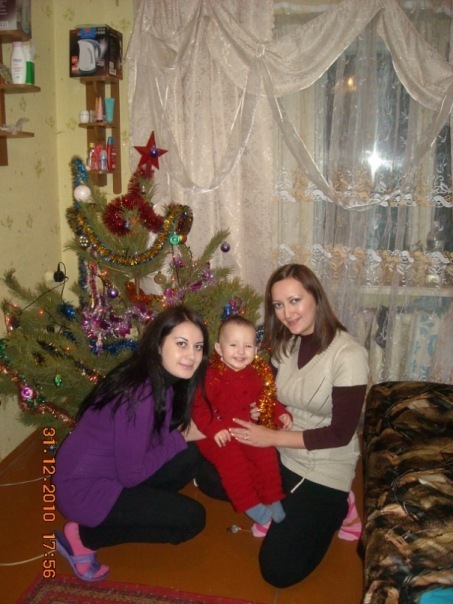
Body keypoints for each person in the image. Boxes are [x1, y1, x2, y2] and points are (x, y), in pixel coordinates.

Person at [199, 264, 369, 588]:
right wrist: (259, 409)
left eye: (294, 300)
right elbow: (267, 396)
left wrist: (271, 436)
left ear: (315, 297)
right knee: (209, 473)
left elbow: (340, 434)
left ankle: (340, 508)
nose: (286, 313)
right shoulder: (287, 345)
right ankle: (285, 504)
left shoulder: (349, 355)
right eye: (278, 305)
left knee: (277, 570)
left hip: (323, 464)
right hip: (279, 451)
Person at [53, 305, 209, 583]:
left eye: (198, 347)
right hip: (85, 492)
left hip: (112, 473)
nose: (192, 355)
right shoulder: (142, 395)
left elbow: (153, 440)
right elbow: (131, 475)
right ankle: (83, 537)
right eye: (181, 344)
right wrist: (179, 438)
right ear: (159, 344)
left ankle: (133, 509)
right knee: (192, 519)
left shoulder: (161, 379)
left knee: (189, 454)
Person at [192, 316, 292, 537]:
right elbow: (199, 408)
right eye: (233, 345)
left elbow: (266, 400)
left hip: (246, 429)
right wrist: (213, 428)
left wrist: (281, 414)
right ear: (219, 349)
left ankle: (272, 497)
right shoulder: (211, 376)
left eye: (248, 346)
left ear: (255, 350)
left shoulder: (255, 374)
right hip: (217, 435)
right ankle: (250, 505)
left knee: (266, 453)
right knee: (234, 463)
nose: (241, 351)